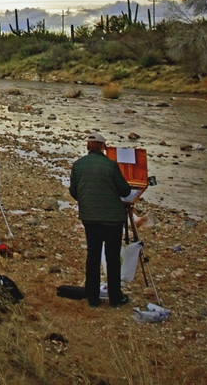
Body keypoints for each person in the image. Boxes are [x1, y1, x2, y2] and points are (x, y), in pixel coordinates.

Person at [69, 131, 132, 308]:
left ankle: (92, 297)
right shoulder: (110, 165)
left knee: (93, 255)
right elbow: (124, 191)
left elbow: (73, 191)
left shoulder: (78, 165)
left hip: (89, 217)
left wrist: (86, 200)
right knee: (112, 257)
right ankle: (115, 298)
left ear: (88, 147)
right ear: (103, 147)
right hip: (112, 219)